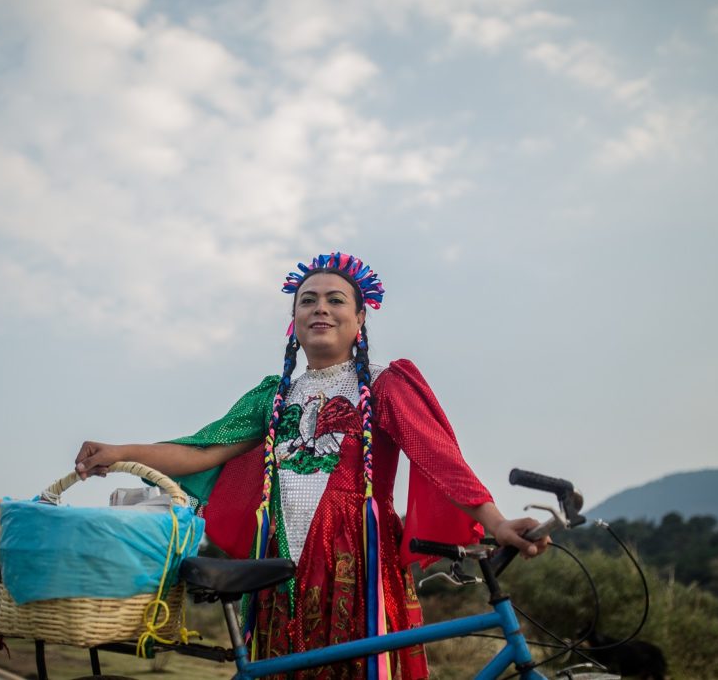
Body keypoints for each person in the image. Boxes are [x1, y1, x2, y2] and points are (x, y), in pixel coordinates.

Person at [75, 252, 549, 679]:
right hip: (277, 564)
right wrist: (119, 454)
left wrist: (497, 523)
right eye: (308, 301)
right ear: (294, 321)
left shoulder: (385, 386)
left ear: (359, 318)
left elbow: (439, 460)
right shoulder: (274, 397)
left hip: (357, 561)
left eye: (335, 300)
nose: (320, 308)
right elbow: (202, 450)